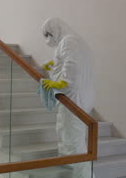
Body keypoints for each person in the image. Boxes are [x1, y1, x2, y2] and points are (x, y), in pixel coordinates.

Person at [40, 18, 94, 178]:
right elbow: (68, 61)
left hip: (73, 98)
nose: (49, 39)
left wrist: (60, 83)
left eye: (49, 35)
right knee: (71, 137)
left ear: (55, 29)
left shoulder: (68, 41)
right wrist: (52, 64)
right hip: (79, 97)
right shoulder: (74, 41)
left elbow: (72, 67)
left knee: (73, 142)